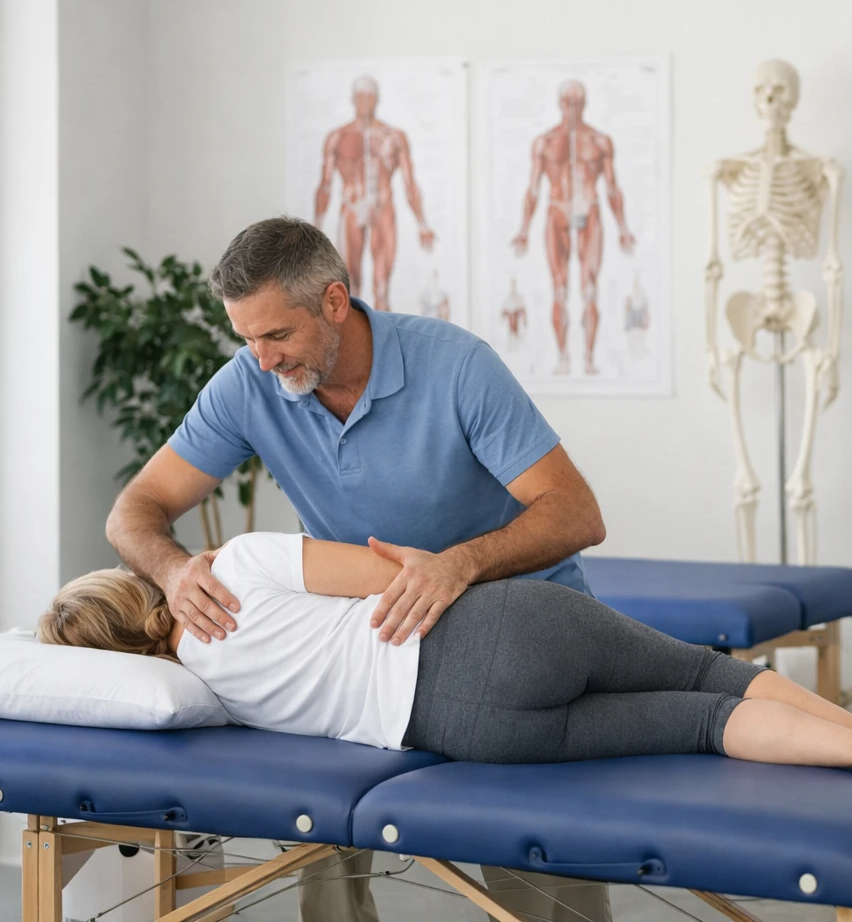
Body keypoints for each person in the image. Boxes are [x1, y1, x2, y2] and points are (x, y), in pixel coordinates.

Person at [104, 217, 598, 922]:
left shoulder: (456, 366)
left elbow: (577, 513)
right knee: (324, 877)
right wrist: (175, 572)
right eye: (246, 338)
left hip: (516, 640)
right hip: (375, 657)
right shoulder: (249, 383)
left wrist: (459, 565)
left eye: (277, 335)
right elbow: (134, 510)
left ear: (335, 302)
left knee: (541, 895)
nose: (262, 360)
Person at [40, 532, 852, 782]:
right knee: (708, 673)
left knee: (702, 726)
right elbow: (394, 572)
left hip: (465, 731)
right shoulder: (238, 563)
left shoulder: (195, 689)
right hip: (495, 630)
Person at [511, 79, 637, 376]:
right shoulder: (544, 142)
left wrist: (623, 227)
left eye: (577, 101)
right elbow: (532, 189)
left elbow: (612, 188)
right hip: (556, 213)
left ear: (585, 103)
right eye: (567, 101)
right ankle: (563, 356)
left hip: (590, 212)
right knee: (559, 288)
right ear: (559, 103)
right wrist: (524, 229)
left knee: (589, 288)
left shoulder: (599, 141)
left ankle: (589, 358)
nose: (572, 107)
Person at [314, 75, 436, 312]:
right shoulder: (338, 137)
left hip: (383, 208)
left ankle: (383, 343)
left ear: (377, 99)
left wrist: (422, 224)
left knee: (382, 286)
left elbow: (410, 184)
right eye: (361, 96)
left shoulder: (394, 137)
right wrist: (315, 228)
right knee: (349, 284)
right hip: (352, 207)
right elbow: (325, 185)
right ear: (353, 99)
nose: (366, 101)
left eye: (370, 96)